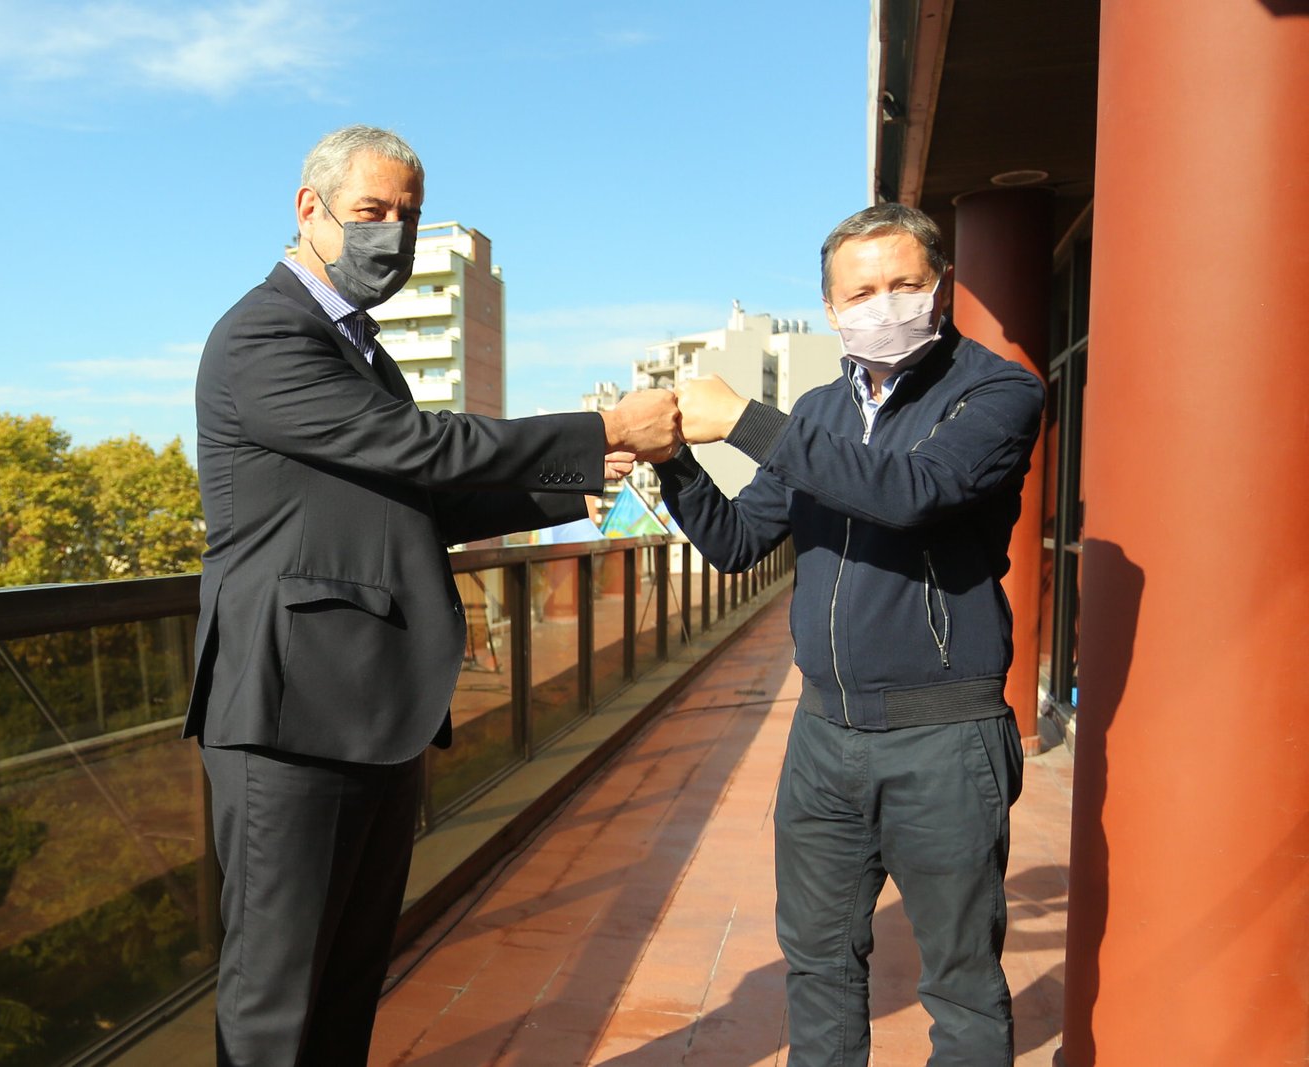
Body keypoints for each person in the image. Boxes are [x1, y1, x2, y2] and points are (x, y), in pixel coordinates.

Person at [183, 124, 678, 1065]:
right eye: (371, 212)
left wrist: (576, 476)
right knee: (276, 999)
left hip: (369, 710)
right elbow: (420, 450)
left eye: (407, 215)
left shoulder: (360, 351)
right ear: (309, 208)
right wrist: (597, 424)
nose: (393, 235)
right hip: (286, 716)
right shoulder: (264, 334)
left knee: (348, 979)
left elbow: (410, 502)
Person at [660, 202, 1045, 1065]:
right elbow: (735, 541)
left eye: (905, 283)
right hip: (823, 736)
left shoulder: (998, 392)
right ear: (831, 308)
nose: (884, 304)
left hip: (944, 737)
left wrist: (750, 422)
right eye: (861, 290)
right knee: (820, 967)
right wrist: (673, 460)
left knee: (961, 984)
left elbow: (912, 490)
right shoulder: (820, 411)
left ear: (940, 287)